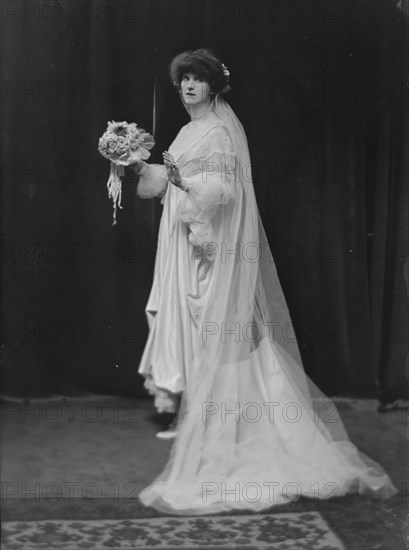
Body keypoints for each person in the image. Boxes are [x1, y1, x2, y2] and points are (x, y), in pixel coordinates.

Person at [132, 48, 397, 514]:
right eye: (184, 80)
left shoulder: (216, 131)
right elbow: (167, 181)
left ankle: (222, 416)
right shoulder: (189, 129)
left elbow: (222, 190)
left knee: (212, 321)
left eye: (198, 79)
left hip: (205, 240)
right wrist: (135, 163)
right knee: (192, 321)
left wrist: (182, 186)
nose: (189, 86)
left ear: (214, 86)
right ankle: (198, 407)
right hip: (180, 237)